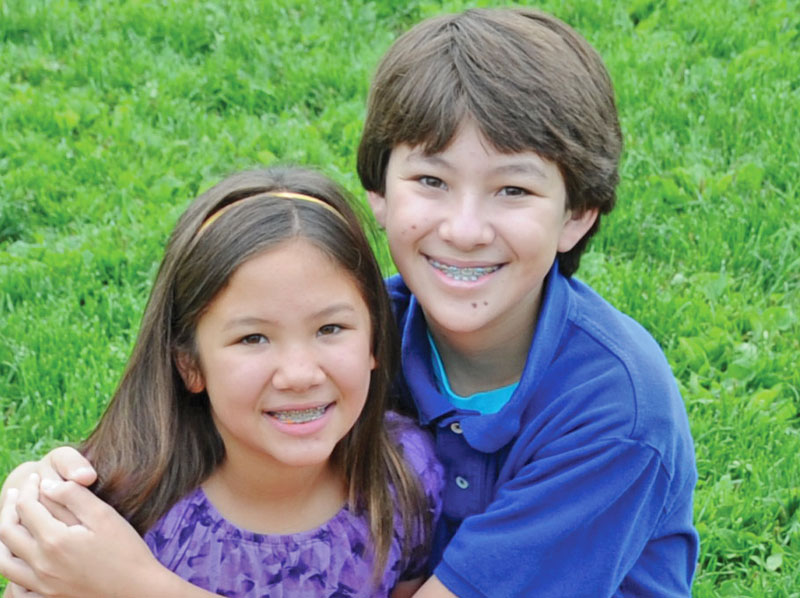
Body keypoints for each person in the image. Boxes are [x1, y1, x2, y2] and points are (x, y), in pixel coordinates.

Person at [0, 7, 698, 597]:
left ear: (578, 213)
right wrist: (49, 496)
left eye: (513, 189)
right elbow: (177, 426)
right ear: (379, 194)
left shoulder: (615, 410)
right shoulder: (352, 334)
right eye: (431, 180)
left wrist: (136, 585)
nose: (463, 228)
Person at [0, 167, 444, 598]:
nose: (299, 374)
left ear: (374, 340)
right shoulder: (117, 501)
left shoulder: (401, 476)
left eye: (330, 329)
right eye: (253, 338)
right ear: (190, 364)